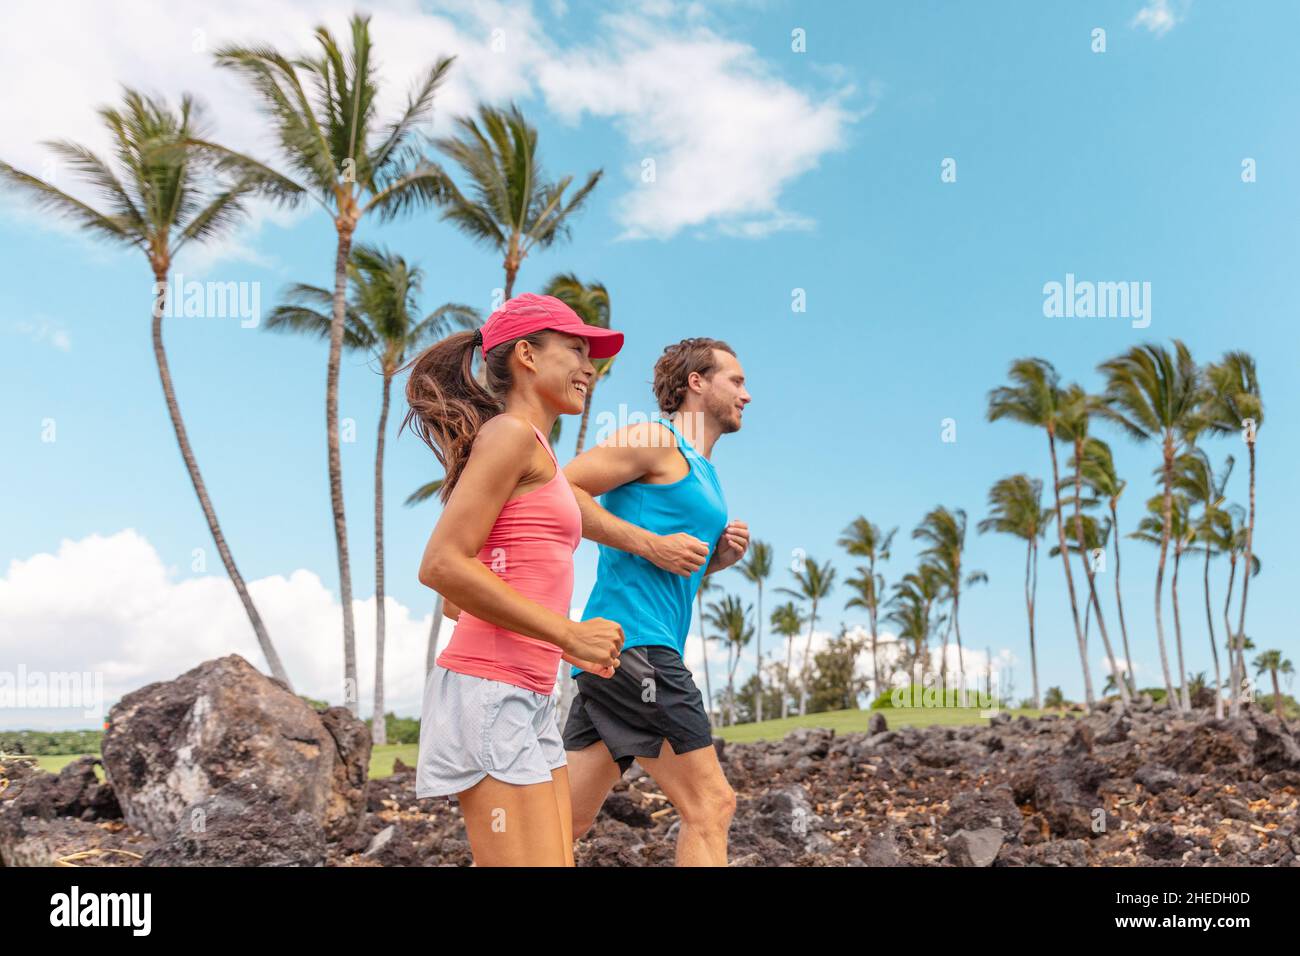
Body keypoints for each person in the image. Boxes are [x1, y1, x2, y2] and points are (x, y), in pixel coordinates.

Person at [402, 292, 626, 866]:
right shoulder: (509, 436)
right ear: (527, 354)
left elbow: (463, 596)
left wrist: (559, 637)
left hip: (526, 690)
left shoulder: (537, 450)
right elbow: (442, 564)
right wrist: (567, 634)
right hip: (489, 689)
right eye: (575, 350)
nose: (588, 367)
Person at [560, 337, 752, 866]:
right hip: (639, 648)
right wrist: (651, 543)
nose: (747, 395)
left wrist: (715, 562)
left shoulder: (703, 469)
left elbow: (667, 566)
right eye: (735, 381)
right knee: (712, 805)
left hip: (616, 655)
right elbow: (558, 489)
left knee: (562, 824)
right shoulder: (655, 439)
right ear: (696, 383)